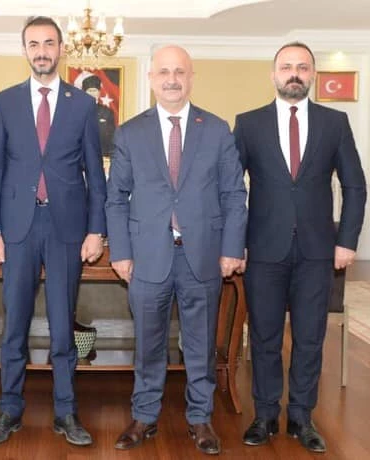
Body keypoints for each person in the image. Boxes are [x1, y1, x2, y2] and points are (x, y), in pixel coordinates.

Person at [105, 45, 247, 456]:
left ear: (191, 78)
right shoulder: (130, 132)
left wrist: (231, 247)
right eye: (164, 72)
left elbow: (234, 193)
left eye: (179, 72)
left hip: (202, 255)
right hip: (147, 256)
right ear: (151, 78)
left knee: (200, 344)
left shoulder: (216, 129)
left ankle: (200, 418)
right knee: (148, 343)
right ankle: (144, 415)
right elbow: (116, 198)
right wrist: (121, 252)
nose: (172, 79)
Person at [234, 42, 367, 453]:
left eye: (303, 67)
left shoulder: (335, 123)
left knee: (310, 338)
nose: (295, 73)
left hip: (317, 251)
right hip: (262, 250)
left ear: (313, 74)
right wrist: (234, 243)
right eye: (287, 66)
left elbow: (355, 185)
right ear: (273, 74)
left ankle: (301, 418)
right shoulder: (249, 124)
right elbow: (229, 189)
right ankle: (264, 415)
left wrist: (346, 241)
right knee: (265, 337)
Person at [0, 16, 106, 447]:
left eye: (49, 43)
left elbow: (95, 173)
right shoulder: (6, 101)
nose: (41, 51)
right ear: (24, 50)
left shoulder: (82, 104)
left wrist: (96, 230)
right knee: (14, 322)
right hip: (17, 226)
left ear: (61, 49)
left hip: (66, 227)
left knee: (62, 324)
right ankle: (9, 408)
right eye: (33, 44)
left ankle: (66, 411)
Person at [82, 74, 116, 156]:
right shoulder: (76, 111)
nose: (92, 93)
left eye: (95, 90)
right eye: (90, 90)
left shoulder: (107, 112)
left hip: (102, 156)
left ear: (99, 92)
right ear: (84, 92)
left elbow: (112, 138)